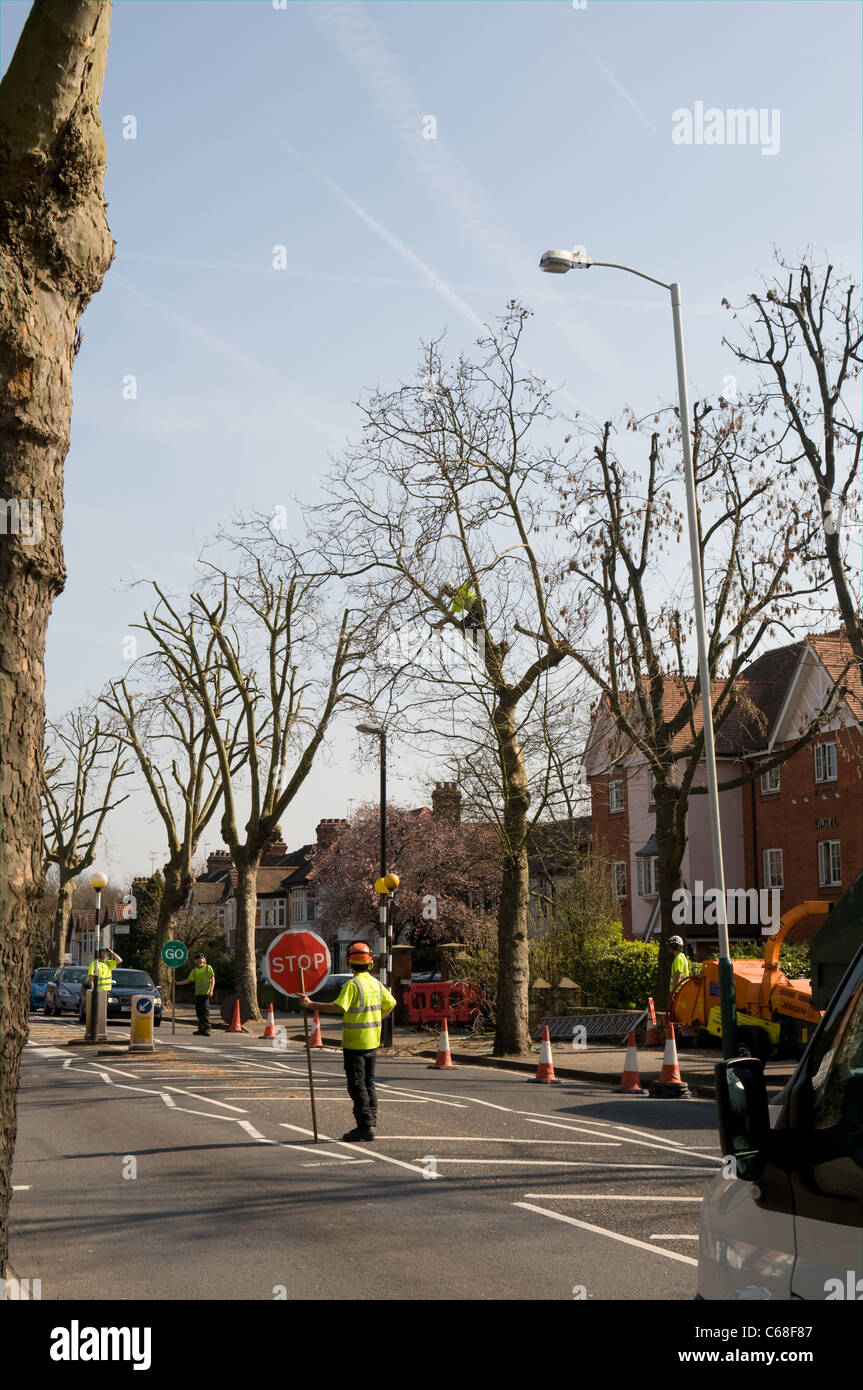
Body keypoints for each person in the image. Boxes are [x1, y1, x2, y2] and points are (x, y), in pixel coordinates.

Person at [298, 941, 396, 1142]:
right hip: (372, 1042)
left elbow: (338, 1007)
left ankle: (364, 1126)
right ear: (369, 963)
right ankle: (371, 1122)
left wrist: (310, 1004)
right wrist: (376, 1018)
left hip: (354, 1043)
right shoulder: (376, 983)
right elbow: (391, 1003)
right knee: (369, 1083)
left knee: (357, 1085)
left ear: (348, 962)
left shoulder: (352, 984)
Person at [176, 951, 216, 1035]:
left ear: (204, 960)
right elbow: (188, 981)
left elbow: (212, 979)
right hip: (198, 994)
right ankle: (201, 1029)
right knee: (199, 1012)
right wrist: (177, 983)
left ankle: (206, 1029)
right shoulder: (194, 971)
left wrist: (211, 990)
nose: (200, 960)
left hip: (206, 993)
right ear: (195, 961)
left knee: (205, 1012)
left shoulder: (208, 968)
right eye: (198, 959)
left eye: (202, 958)